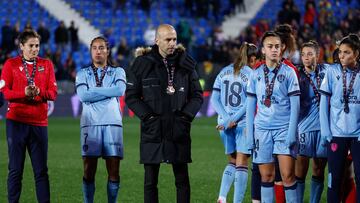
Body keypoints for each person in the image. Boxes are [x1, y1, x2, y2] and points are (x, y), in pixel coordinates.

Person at [125, 24, 203, 203]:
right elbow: (131, 96)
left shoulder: (186, 63)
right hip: (153, 130)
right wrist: (148, 117)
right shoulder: (142, 64)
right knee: (150, 181)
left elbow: (197, 95)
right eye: (168, 39)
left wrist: (185, 117)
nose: (172, 43)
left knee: (182, 180)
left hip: (178, 128)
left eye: (174, 39)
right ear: (157, 40)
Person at [1, 29, 57, 203]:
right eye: (31, 46)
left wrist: (39, 92)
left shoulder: (46, 64)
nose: (35, 49)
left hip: (39, 123)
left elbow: (53, 93)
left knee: (41, 171)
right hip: (16, 122)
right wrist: (23, 93)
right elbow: (5, 92)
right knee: (15, 169)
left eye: (37, 45)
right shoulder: (10, 64)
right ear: (21, 46)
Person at [246, 31, 300, 203]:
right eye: (270, 46)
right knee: (267, 176)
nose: (274, 50)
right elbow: (249, 107)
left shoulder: (289, 72)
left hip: (284, 129)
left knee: (288, 175)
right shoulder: (255, 74)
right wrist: (250, 134)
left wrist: (292, 132)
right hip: (262, 130)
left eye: (277, 46)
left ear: (282, 48)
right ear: (263, 50)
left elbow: (295, 106)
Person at [75, 36, 126, 203]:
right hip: (90, 125)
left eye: (102, 48)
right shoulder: (82, 73)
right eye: (95, 48)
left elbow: (119, 90)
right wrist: (107, 90)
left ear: (108, 51)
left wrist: (94, 92)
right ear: (91, 51)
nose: (98, 51)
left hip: (112, 124)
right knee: (88, 171)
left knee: (114, 171)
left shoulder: (118, 71)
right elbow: (83, 95)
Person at [211, 42, 257, 203]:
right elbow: (249, 103)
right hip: (242, 123)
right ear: (252, 58)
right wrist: (233, 119)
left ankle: (222, 197)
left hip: (223, 124)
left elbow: (214, 99)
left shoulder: (224, 71)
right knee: (242, 162)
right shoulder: (251, 74)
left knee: (232, 160)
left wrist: (225, 118)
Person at [319, 33, 360, 203]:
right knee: (334, 180)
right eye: (340, 52)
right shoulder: (331, 71)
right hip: (336, 134)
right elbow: (323, 103)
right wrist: (326, 131)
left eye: (347, 52)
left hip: (358, 135)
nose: (342, 56)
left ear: (357, 54)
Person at [295, 40, 328, 203]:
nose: (306, 58)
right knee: (300, 170)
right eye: (303, 55)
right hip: (303, 128)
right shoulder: (296, 75)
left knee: (319, 169)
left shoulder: (328, 71)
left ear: (318, 54)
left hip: (324, 129)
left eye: (310, 54)